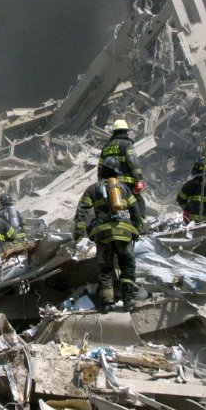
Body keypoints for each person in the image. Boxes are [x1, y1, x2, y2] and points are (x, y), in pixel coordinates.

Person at [75, 156, 143, 313]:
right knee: (127, 266)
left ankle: (107, 304)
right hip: (124, 233)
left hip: (103, 234)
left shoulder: (93, 189)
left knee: (105, 269)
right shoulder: (124, 188)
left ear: (102, 170)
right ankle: (127, 302)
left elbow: (82, 210)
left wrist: (79, 231)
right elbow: (136, 211)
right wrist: (137, 229)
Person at [98, 119, 146, 216]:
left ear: (114, 132)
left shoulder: (106, 146)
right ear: (125, 131)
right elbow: (133, 161)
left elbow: (100, 166)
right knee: (138, 202)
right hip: (126, 182)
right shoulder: (126, 144)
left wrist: (100, 182)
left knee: (112, 206)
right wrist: (139, 179)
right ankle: (140, 223)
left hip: (109, 183)